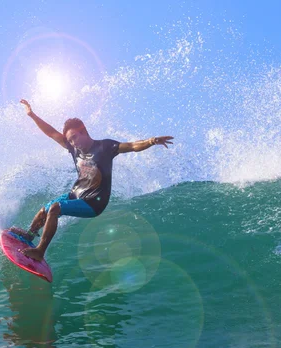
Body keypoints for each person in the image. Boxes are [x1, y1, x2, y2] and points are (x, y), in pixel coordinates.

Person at [11, 99, 174, 261]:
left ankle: (40, 252)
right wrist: (32, 114)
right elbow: (51, 133)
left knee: (55, 208)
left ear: (84, 132)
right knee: (44, 211)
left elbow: (131, 146)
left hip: (93, 203)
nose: (73, 142)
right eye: (70, 140)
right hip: (76, 195)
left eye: (75, 137)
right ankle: (30, 235)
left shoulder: (104, 147)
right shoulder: (73, 148)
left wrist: (151, 141)